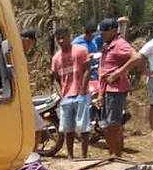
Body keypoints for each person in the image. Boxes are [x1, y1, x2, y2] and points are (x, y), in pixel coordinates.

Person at [97, 17, 143, 157]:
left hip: (115, 90)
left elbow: (136, 57)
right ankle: (112, 154)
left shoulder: (120, 44)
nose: (101, 35)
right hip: (106, 90)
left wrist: (118, 72)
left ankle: (116, 155)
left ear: (112, 31)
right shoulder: (107, 45)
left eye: (103, 32)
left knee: (114, 125)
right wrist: (100, 93)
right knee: (105, 125)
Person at [50, 27, 91, 158]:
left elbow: (87, 70)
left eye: (63, 37)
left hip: (81, 95)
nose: (61, 40)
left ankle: (84, 156)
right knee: (68, 129)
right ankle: (70, 156)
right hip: (66, 96)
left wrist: (81, 91)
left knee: (83, 127)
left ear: (69, 36)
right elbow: (55, 78)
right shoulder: (56, 58)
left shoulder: (80, 51)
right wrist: (61, 96)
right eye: (58, 38)